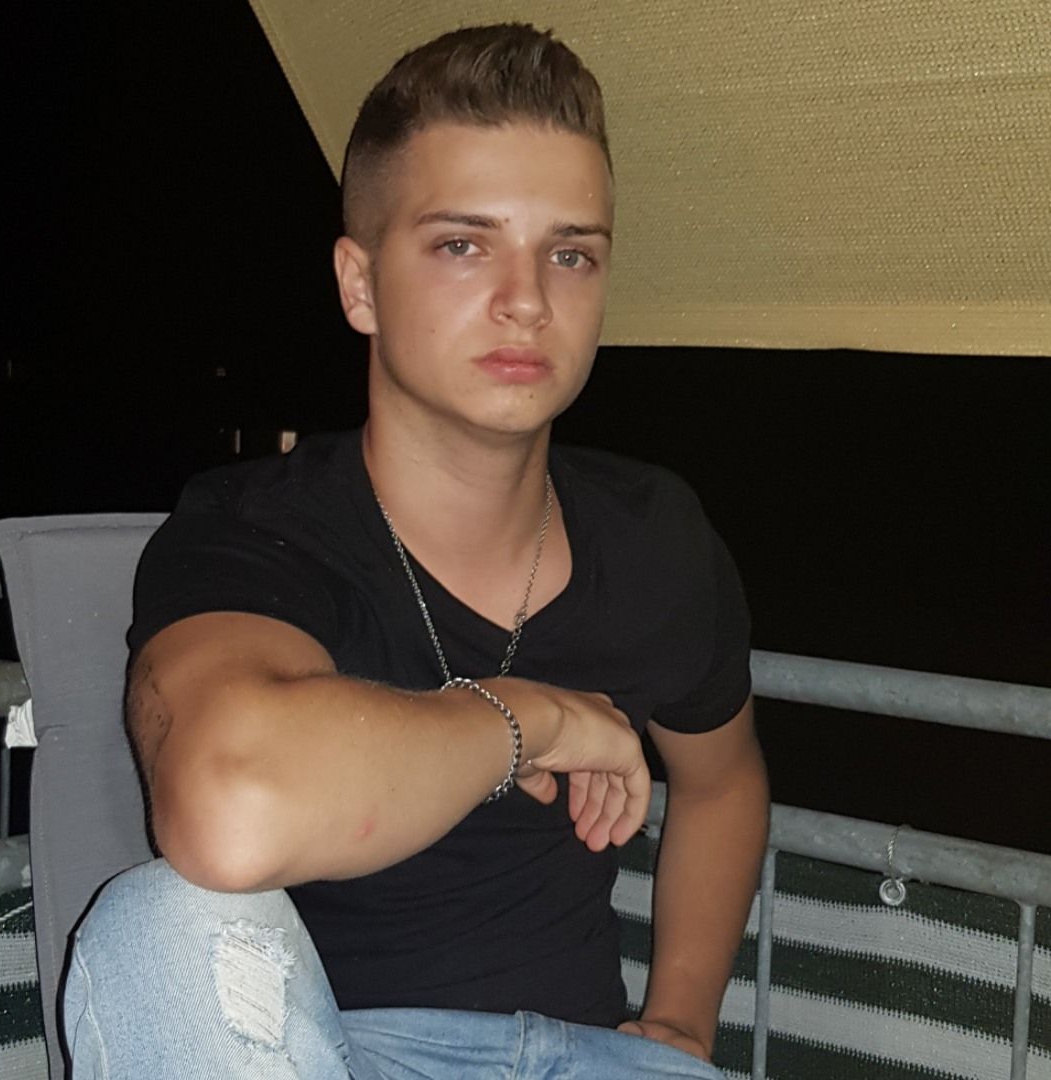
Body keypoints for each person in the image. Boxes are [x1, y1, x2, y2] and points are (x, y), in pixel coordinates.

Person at [63, 23, 769, 1079]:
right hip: (332, 1051)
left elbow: (722, 781)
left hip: (595, 1058)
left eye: (570, 253)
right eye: (462, 245)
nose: (527, 298)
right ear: (360, 285)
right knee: (153, 922)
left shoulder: (655, 537)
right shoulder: (258, 532)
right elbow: (230, 810)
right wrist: (530, 718)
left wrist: (681, 1021)